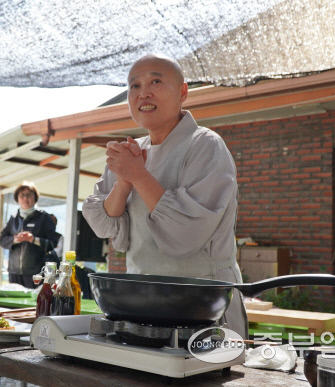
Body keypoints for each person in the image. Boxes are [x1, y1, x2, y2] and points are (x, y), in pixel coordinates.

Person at [82, 54, 247, 338]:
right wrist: (123, 181)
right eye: (134, 86)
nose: (143, 92)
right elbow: (104, 225)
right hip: (142, 300)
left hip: (202, 302)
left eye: (156, 81)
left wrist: (139, 176)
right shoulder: (132, 152)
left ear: (183, 92)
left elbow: (188, 233)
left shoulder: (205, 145)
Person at [0, 182, 60, 289]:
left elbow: (52, 243)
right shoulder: (13, 218)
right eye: (22, 195)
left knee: (33, 303)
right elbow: (2, 240)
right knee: (13, 304)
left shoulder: (44, 217)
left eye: (29, 195)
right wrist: (16, 240)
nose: (25, 198)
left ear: (35, 197)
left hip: (36, 273)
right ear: (17, 198)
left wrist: (33, 239)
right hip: (14, 271)